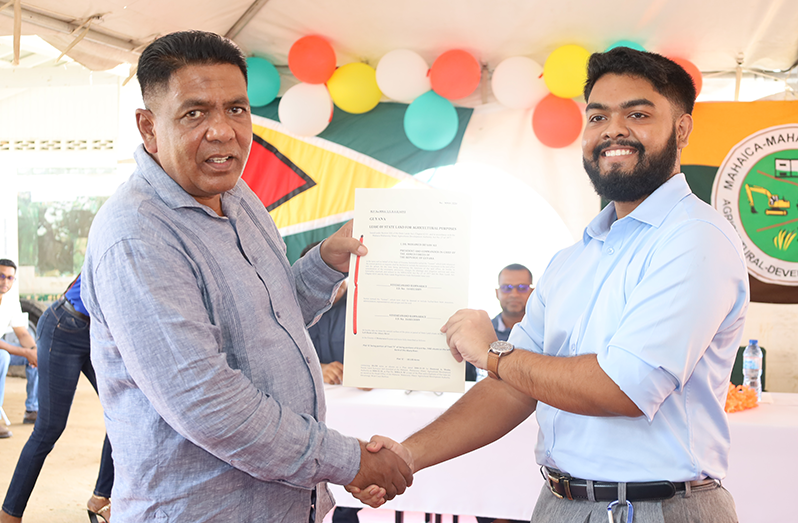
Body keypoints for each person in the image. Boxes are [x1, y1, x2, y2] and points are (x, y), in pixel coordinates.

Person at [354, 47, 749, 523]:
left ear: (681, 129)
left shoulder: (695, 239)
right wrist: (406, 455)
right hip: (559, 505)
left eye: (638, 114)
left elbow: (622, 388)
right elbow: (512, 389)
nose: (613, 130)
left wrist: (492, 353)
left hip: (654, 508)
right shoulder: (573, 258)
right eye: (598, 116)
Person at [80, 30, 410, 523]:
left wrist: (323, 264)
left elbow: (269, 319)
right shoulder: (137, 237)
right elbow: (209, 404)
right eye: (195, 113)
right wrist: (350, 460)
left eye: (236, 109)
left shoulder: (238, 196)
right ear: (148, 128)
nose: (223, 131)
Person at [1, 274, 115, 523]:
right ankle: (9, 515)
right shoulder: (126, 241)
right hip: (65, 326)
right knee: (49, 428)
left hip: (99, 333)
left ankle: (100, 497)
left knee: (126, 414)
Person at [0, 259, 38, 438]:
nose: (5, 281)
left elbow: (22, 333)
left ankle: (32, 409)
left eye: (9, 278)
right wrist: (25, 352)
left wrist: (33, 351)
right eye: (1, 276)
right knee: (3, 357)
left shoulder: (10, 300)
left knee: (36, 356)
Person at [492, 263, 533, 342]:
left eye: (522, 288)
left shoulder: (545, 332)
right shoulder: (484, 332)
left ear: (532, 292)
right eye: (506, 288)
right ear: (497, 293)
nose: (514, 295)